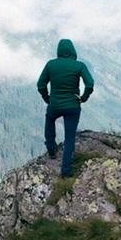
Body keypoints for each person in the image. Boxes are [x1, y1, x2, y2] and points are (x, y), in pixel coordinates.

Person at [36, 38, 94, 177]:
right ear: (73, 51)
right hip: (73, 106)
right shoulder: (79, 66)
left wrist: (47, 99)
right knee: (69, 138)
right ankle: (65, 171)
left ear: (59, 51)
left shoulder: (51, 65)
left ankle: (51, 150)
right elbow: (90, 83)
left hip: (54, 104)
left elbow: (40, 85)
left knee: (50, 120)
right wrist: (83, 98)